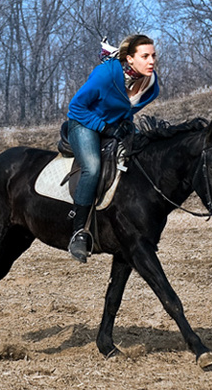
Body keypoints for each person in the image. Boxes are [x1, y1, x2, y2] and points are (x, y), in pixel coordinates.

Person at [65, 34, 160, 263]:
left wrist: (123, 128)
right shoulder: (105, 74)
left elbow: (126, 111)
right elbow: (76, 107)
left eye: (153, 56)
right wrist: (105, 128)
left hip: (115, 125)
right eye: (145, 56)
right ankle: (79, 233)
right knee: (93, 168)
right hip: (83, 123)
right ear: (129, 58)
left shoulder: (151, 85)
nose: (151, 61)